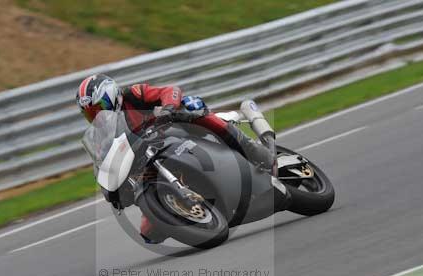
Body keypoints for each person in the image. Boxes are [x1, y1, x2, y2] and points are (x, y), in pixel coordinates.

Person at [76, 74, 274, 243]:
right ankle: (198, 212)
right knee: (148, 234)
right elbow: (104, 164)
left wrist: (168, 108)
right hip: (148, 166)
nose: (96, 115)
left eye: (99, 107)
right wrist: (111, 191)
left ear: (112, 96)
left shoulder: (133, 94)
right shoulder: (104, 136)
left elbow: (170, 90)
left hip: (172, 129)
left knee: (194, 109)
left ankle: (253, 149)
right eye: (90, 113)